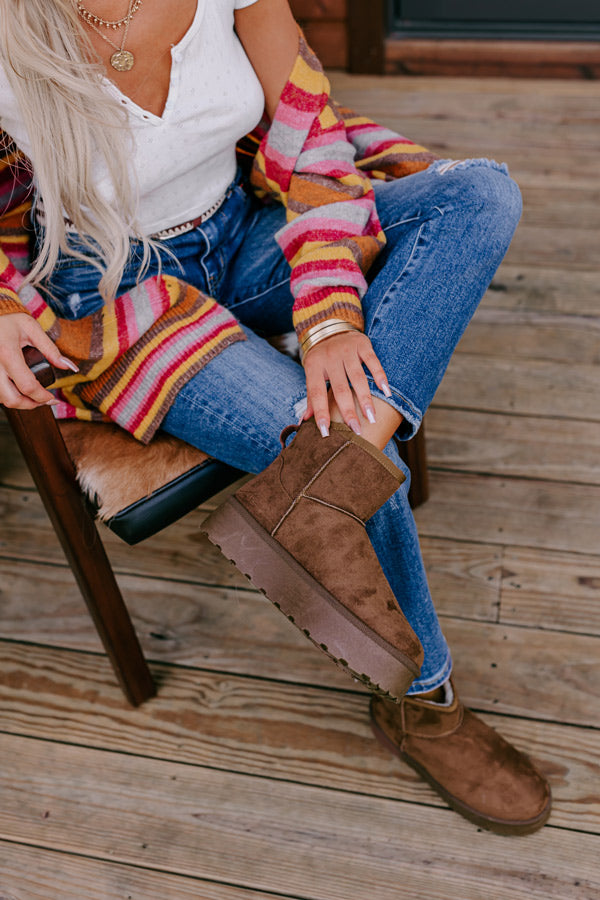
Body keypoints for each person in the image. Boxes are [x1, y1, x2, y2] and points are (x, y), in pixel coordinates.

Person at [0, 0, 551, 834]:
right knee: (346, 450)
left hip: (243, 225)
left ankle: (326, 483)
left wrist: (329, 313)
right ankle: (423, 700)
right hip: (117, 295)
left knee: (476, 196)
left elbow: (310, 139)